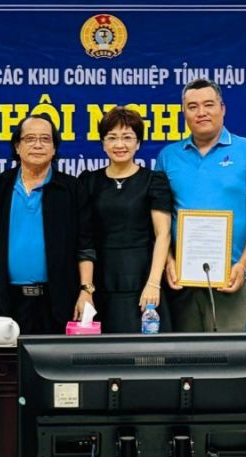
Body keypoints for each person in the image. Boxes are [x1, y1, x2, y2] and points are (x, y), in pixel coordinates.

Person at [155, 78, 246, 332]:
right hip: (181, 280)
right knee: (183, 363)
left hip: (231, 277)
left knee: (227, 362)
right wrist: (169, 261)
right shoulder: (168, 156)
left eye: (209, 105)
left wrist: (242, 264)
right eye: (192, 106)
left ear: (223, 108)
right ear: (183, 113)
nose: (201, 112)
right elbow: (160, 218)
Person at [0, 114, 95, 334]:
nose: (38, 145)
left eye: (45, 139)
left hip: (58, 301)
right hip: (7, 301)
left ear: (55, 148)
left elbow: (85, 245)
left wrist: (86, 291)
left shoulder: (71, 189)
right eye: (30, 139)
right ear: (17, 146)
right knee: (9, 366)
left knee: (56, 365)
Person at [79, 107, 172, 333]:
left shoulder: (154, 181)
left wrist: (153, 283)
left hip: (143, 279)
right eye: (112, 138)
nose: (120, 144)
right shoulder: (88, 181)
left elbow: (163, 234)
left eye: (127, 137)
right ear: (103, 143)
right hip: (102, 280)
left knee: (147, 358)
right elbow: (85, 240)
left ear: (138, 143)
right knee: (103, 358)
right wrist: (87, 289)